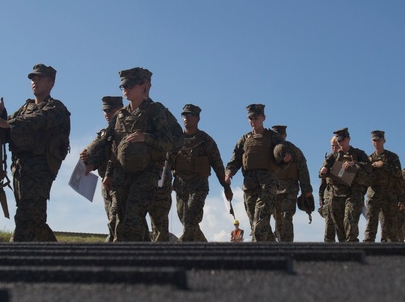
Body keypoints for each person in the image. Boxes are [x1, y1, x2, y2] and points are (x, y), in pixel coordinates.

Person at [0, 64, 71, 242]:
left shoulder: (56, 109)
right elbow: (8, 128)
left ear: (51, 82)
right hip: (20, 169)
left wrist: (8, 123)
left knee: (26, 217)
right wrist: (2, 115)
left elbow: (38, 121)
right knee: (34, 220)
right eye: (33, 79)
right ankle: (60, 259)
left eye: (40, 78)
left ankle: (13, 260)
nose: (35, 82)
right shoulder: (25, 107)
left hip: (40, 170)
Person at [103, 68, 182, 242]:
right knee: (125, 219)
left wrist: (151, 147)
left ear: (146, 85)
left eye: (134, 83)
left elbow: (175, 141)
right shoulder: (123, 114)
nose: (127, 88)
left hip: (156, 172)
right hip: (126, 173)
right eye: (124, 85)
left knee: (158, 223)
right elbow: (116, 145)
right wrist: (109, 171)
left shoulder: (159, 111)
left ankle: (159, 263)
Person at [170, 104, 232, 242]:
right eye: (184, 115)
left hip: (198, 187)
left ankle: (178, 250)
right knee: (188, 223)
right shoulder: (176, 140)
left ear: (198, 118)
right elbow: (167, 163)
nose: (186, 118)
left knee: (189, 219)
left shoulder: (206, 141)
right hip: (180, 187)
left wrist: (226, 188)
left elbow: (218, 166)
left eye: (190, 115)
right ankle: (206, 248)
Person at [224, 104, 282, 242]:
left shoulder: (273, 137)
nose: (253, 121)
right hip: (249, 186)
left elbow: (283, 153)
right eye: (250, 118)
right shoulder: (245, 139)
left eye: (255, 118)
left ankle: (256, 259)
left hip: (267, 185)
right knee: (257, 225)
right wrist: (229, 173)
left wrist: (285, 159)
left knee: (259, 223)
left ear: (263, 117)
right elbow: (235, 159)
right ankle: (275, 254)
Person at [81, 96, 123, 241]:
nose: (107, 114)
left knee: (117, 220)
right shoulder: (104, 134)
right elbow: (95, 153)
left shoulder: (125, 132)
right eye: (105, 111)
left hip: (121, 181)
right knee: (112, 220)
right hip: (106, 182)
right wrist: (87, 159)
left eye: (110, 110)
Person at [319, 128, 370, 242]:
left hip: (353, 193)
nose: (340, 144)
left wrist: (354, 164)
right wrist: (324, 170)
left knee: (350, 221)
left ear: (348, 139)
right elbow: (322, 172)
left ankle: (353, 248)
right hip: (337, 195)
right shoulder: (333, 157)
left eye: (342, 140)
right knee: (339, 227)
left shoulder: (359, 154)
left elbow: (368, 168)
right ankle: (344, 252)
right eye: (338, 142)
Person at [269, 124, 313, 243]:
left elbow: (302, 167)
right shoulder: (268, 149)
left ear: (285, 135)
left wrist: (306, 190)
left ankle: (287, 245)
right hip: (273, 189)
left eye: (280, 135)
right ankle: (280, 243)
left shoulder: (293, 150)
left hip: (289, 189)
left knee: (286, 217)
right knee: (277, 219)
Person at [363, 130, 404, 242]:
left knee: (390, 225)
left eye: (378, 140)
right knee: (371, 222)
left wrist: (383, 165)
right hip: (373, 193)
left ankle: (392, 252)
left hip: (389, 194)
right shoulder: (369, 159)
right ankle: (368, 247)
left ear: (384, 141)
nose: (376, 142)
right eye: (374, 140)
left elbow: (398, 174)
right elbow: (364, 178)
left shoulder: (392, 157)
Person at [320, 135, 342, 242]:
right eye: (332, 145)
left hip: (341, 195)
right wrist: (321, 197)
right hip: (329, 195)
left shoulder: (345, 157)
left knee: (342, 226)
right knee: (329, 226)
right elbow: (322, 179)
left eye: (335, 145)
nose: (333, 147)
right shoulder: (328, 159)